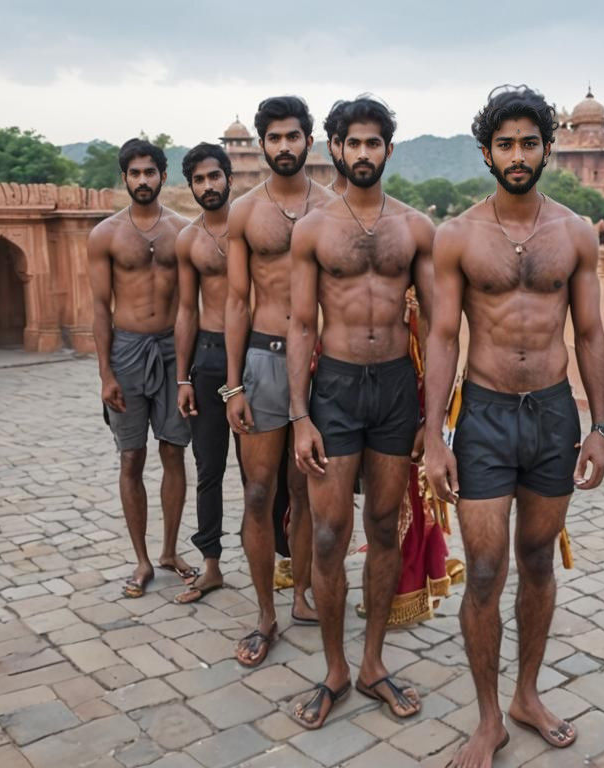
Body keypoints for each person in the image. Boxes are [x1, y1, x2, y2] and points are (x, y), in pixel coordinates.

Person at [424, 85, 604, 768]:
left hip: (554, 413)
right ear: (486, 153)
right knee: (482, 569)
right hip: (486, 415)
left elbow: (590, 333)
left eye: (530, 142)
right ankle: (486, 717)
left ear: (547, 149)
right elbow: (444, 336)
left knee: (536, 559)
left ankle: (527, 694)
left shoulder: (574, 232)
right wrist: (432, 438)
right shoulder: (459, 237)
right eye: (505, 144)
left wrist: (602, 426)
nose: (518, 154)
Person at [286, 95, 436, 729]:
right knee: (327, 533)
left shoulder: (415, 229)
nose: (365, 153)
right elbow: (299, 323)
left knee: (381, 526)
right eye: (354, 143)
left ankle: (372, 662)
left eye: (375, 143)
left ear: (388, 151)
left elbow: (436, 324)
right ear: (335, 150)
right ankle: (334, 669)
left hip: (398, 389)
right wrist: (299, 414)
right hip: (338, 389)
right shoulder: (315, 229)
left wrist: (434, 417)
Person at [224, 95, 333, 667]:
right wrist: (231, 386)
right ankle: (265, 612)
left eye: (294, 136)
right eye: (274, 138)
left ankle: (307, 593)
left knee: (311, 489)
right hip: (265, 359)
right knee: (261, 492)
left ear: (308, 142)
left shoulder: (335, 208)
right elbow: (237, 300)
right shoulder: (246, 212)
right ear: (262, 144)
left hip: (322, 362)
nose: (284, 146)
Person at [87, 138, 196, 599]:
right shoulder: (106, 235)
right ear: (124, 178)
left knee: (173, 451)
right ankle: (142, 560)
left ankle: (170, 550)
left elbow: (193, 303)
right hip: (127, 352)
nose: (142, 181)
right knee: (131, 456)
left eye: (150, 172)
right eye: (134, 174)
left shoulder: (183, 231)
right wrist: (105, 375)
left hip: (173, 349)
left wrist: (189, 369)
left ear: (163, 176)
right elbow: (98, 306)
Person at [173, 142, 238, 605]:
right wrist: (183, 378)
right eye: (199, 179)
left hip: (255, 355)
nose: (208, 186)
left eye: (214, 176)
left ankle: (282, 560)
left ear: (229, 177)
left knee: (266, 473)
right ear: (190, 186)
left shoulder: (251, 226)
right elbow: (185, 312)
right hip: (209, 356)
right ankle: (211, 563)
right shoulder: (190, 240)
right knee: (208, 468)